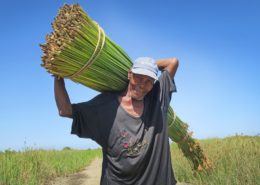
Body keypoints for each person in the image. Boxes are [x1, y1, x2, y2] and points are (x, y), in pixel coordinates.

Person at [54, 57, 179, 185]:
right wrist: (58, 77)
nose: (142, 84)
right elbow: (65, 110)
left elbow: (173, 62)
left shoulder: (158, 98)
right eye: (139, 77)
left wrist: (149, 66)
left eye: (148, 81)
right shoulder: (105, 106)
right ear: (129, 74)